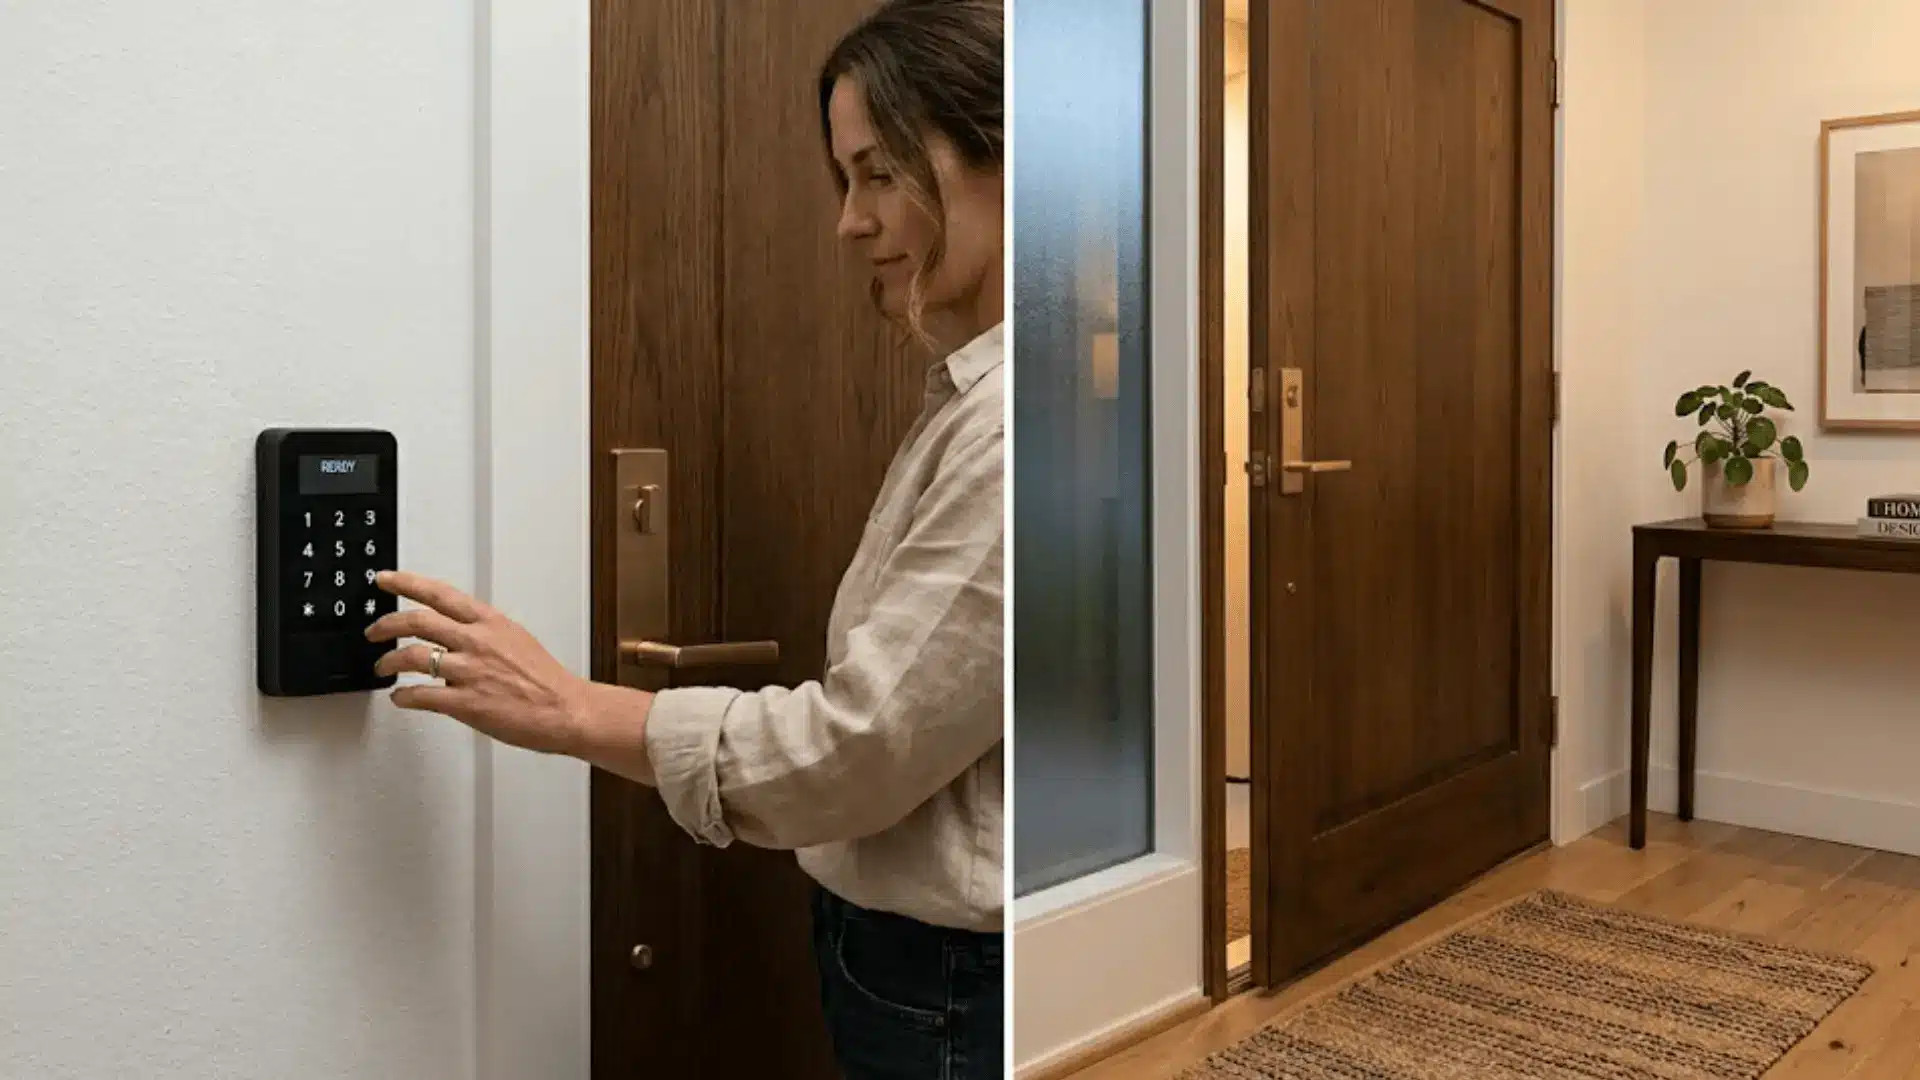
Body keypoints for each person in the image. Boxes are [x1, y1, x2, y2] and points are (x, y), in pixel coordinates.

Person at [361, 2, 1004, 1077]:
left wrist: (574, 708)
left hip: (950, 985)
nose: (849, 220)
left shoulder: (1011, 427)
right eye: (844, 179)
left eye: (880, 170)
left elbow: (859, 753)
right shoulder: (979, 398)